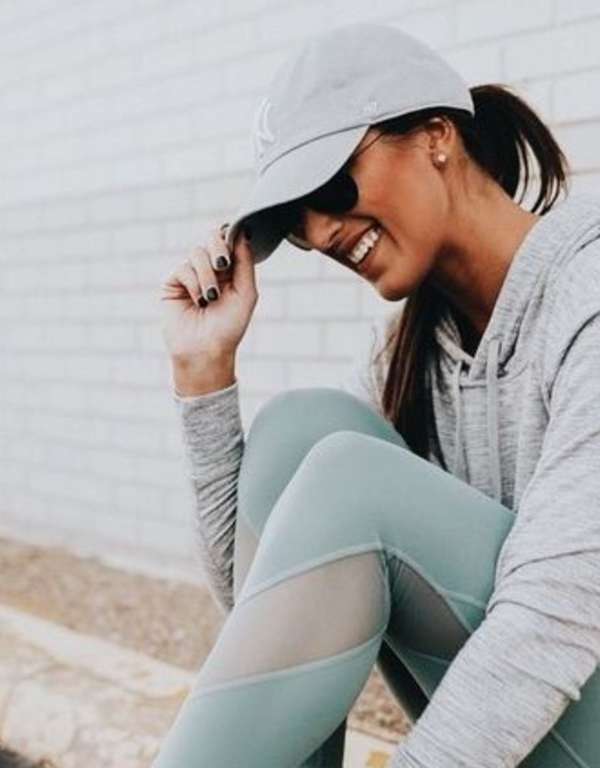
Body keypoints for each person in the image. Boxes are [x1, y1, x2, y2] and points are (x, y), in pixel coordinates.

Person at [156, 22, 600, 768]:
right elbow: (266, 612)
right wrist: (203, 373)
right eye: (296, 222)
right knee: (300, 431)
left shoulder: (586, 294)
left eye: (331, 186)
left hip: (573, 683)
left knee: (350, 480)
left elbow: (556, 615)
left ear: (436, 136)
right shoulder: (406, 351)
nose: (322, 231)